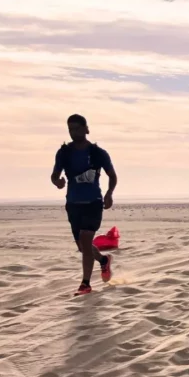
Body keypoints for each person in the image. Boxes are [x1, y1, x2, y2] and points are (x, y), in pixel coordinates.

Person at [51, 114, 117, 296]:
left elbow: (112, 175)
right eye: (70, 129)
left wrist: (109, 194)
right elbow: (54, 175)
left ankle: (85, 283)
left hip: (93, 202)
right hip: (73, 203)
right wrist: (57, 181)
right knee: (82, 247)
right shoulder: (64, 153)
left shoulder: (98, 153)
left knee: (86, 241)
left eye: (77, 128)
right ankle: (103, 261)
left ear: (86, 129)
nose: (74, 132)